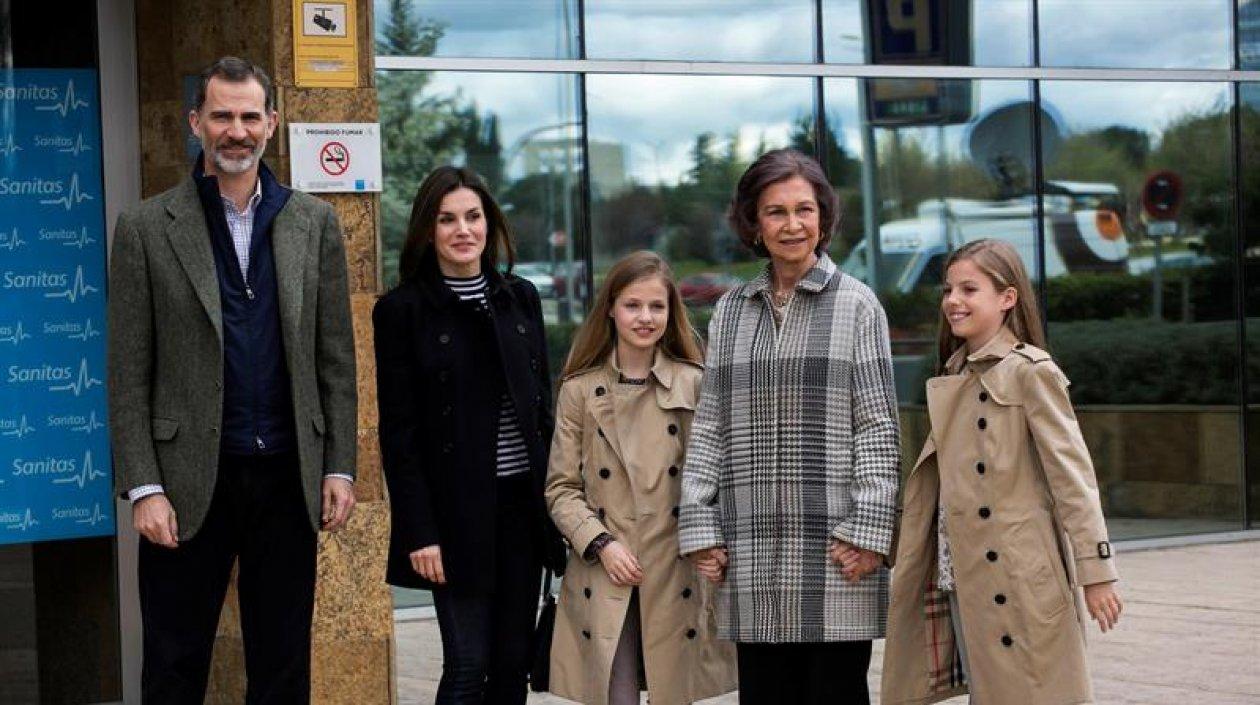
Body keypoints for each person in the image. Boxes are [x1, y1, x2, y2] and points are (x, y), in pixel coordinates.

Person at [108, 56, 358, 703]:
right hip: (187, 483)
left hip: (286, 476)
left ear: (272, 123)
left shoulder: (314, 223)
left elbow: (336, 359)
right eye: (222, 115)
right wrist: (144, 487)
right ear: (197, 122)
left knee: (281, 666)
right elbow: (128, 371)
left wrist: (339, 466)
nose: (236, 130)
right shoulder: (144, 229)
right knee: (172, 661)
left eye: (250, 116)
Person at [677, 149, 901, 705]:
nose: (792, 224)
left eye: (804, 209)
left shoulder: (858, 305)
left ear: (823, 216)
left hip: (835, 552)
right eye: (775, 212)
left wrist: (869, 531)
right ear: (754, 223)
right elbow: (710, 426)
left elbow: (877, 425)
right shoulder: (731, 311)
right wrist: (701, 526)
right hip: (751, 552)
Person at [881, 238, 1123, 705]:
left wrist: (1097, 571)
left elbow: (1072, 478)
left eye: (969, 289)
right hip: (965, 574)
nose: (953, 301)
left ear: (1007, 298)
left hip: (1018, 574)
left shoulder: (1032, 373)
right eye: (948, 289)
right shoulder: (956, 373)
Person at [373, 165, 565, 704]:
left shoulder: (520, 297)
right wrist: (420, 532)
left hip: (522, 512)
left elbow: (541, 413)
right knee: (467, 666)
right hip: (454, 518)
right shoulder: (401, 311)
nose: (463, 230)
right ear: (427, 231)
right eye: (447, 219)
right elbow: (400, 434)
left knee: (511, 667)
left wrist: (558, 505)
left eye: (473, 217)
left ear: (490, 224)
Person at [545, 251, 738, 705]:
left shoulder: (695, 383)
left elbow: (718, 478)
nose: (645, 317)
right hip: (609, 568)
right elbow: (561, 488)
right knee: (617, 695)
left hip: (677, 567)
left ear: (671, 313)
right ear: (611, 308)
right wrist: (600, 543)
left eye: (657, 306)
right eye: (633, 305)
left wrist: (712, 542)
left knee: (675, 694)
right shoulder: (579, 391)